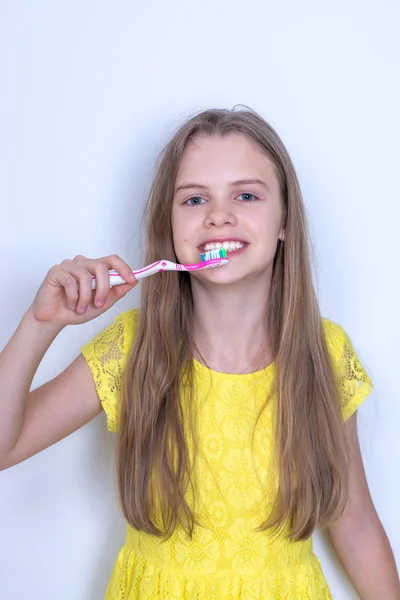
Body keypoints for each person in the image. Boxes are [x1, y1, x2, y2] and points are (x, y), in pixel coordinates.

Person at [1, 108, 399, 600]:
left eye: (247, 195)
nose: (218, 215)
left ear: (285, 224)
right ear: (169, 227)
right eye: (194, 199)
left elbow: (355, 524)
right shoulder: (133, 350)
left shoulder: (325, 354)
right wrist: (40, 325)